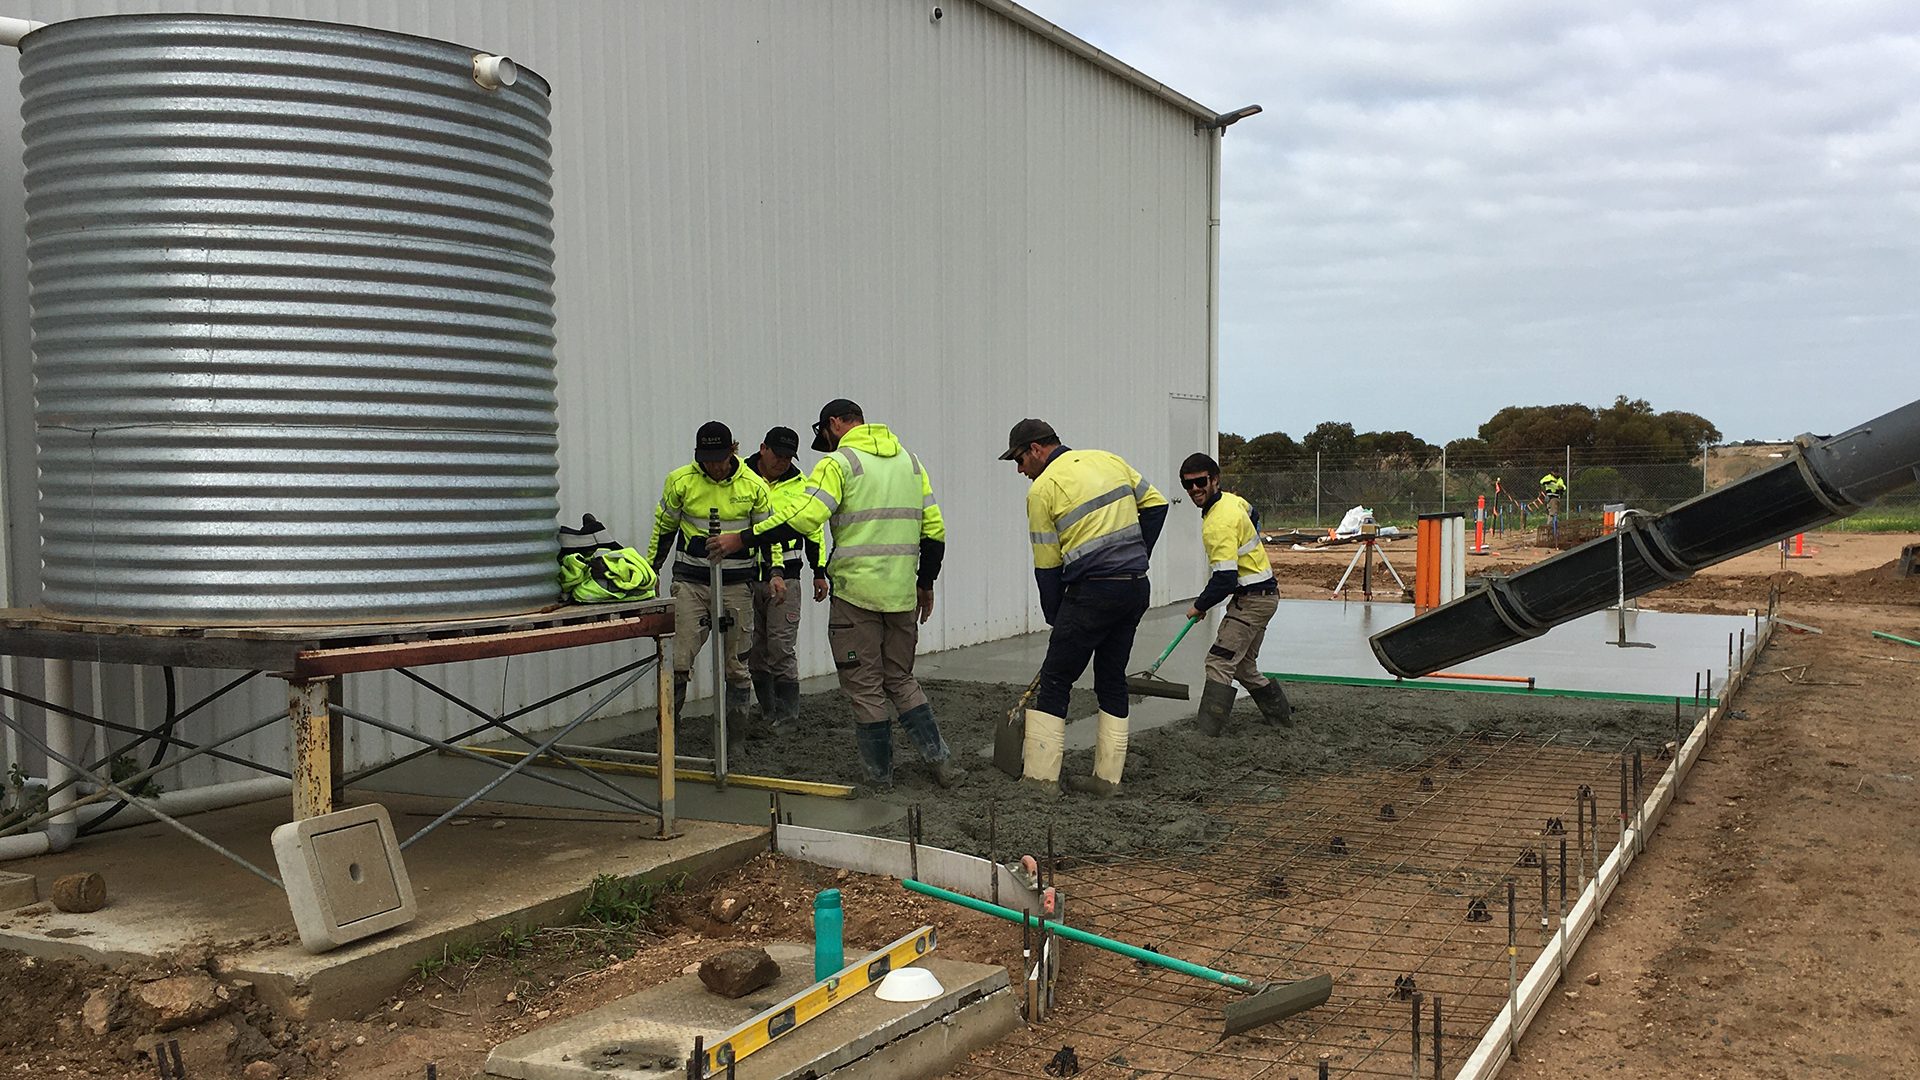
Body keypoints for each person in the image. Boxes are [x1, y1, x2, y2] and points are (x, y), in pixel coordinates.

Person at [708, 399, 964, 789]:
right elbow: (935, 532)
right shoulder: (910, 462)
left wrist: (740, 538)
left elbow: (803, 518)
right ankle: (941, 762)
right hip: (901, 596)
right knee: (901, 678)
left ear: (833, 424)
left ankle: (880, 778)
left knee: (864, 685)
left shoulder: (839, 464)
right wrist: (925, 583)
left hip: (856, 598)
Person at [1008, 419, 1168, 797]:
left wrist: (1055, 615)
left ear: (1035, 449)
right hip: (1133, 589)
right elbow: (1157, 505)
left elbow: (1047, 565)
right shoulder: (1108, 459)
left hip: (1091, 593)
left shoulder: (1042, 490)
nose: (1019, 470)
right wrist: (1135, 555)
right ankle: (1106, 780)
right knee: (1111, 678)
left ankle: (1040, 781)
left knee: (1057, 678)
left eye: (1019, 459)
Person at [646, 421, 780, 736]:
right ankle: (668, 732)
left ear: (732, 451)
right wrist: (652, 570)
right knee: (678, 658)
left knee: (736, 664)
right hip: (691, 583)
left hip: (735, 585)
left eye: (719, 458)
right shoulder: (680, 481)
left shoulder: (753, 486)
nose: (714, 466)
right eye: (707, 459)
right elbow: (664, 529)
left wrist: (775, 573)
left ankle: (735, 738)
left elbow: (767, 535)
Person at [1178, 453, 1291, 735]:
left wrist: (1199, 605)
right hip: (1266, 596)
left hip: (1252, 601)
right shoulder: (1232, 501)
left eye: (1200, 482)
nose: (1194, 490)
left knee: (1218, 662)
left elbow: (1225, 579)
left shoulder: (1218, 523)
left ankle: (1207, 732)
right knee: (1243, 666)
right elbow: (1254, 514)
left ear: (1214, 480)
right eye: (1187, 485)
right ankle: (1281, 718)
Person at [745, 426, 827, 734]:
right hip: (747, 575)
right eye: (778, 455)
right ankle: (768, 710)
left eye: (788, 457)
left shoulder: (802, 485)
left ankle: (788, 715)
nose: (783, 462)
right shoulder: (742, 478)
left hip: (788, 576)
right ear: (763, 448)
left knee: (780, 645)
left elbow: (814, 530)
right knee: (753, 645)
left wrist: (819, 571)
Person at [1539, 472, 1567, 540]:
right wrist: (1550, 481)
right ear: (1552, 472)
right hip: (1551, 498)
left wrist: (1561, 488)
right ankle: (1549, 530)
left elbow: (1563, 486)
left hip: (1557, 497)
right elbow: (1542, 481)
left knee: (1554, 514)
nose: (1557, 474)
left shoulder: (1559, 479)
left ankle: (1551, 530)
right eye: (1555, 472)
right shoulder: (1548, 477)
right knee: (1552, 514)